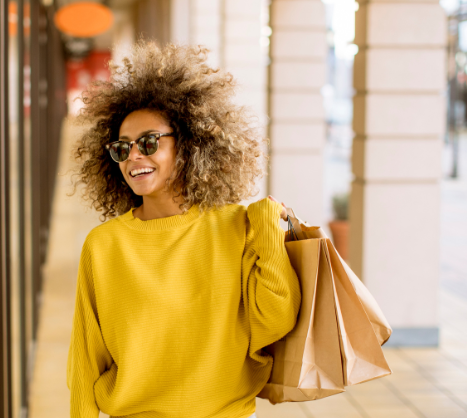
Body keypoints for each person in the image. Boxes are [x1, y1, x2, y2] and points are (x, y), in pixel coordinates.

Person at [67, 42, 302, 418]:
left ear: (190, 145)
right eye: (122, 148)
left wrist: (267, 230)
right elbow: (85, 357)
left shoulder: (237, 228)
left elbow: (274, 322)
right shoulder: (104, 245)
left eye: (148, 143)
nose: (134, 157)